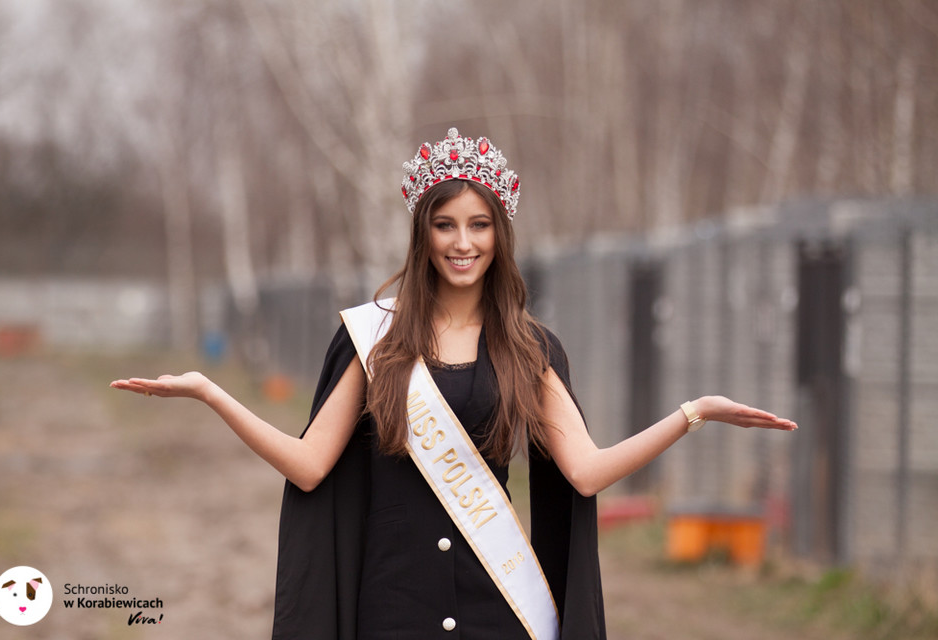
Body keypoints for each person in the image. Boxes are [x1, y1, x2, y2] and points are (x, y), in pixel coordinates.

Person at [111, 127, 797, 640]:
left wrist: (693, 413)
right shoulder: (374, 341)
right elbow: (309, 466)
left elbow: (585, 474)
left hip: (496, 607)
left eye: (478, 225)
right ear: (423, 235)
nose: (461, 242)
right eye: (444, 225)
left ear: (500, 236)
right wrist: (210, 392)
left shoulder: (531, 349)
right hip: (392, 606)